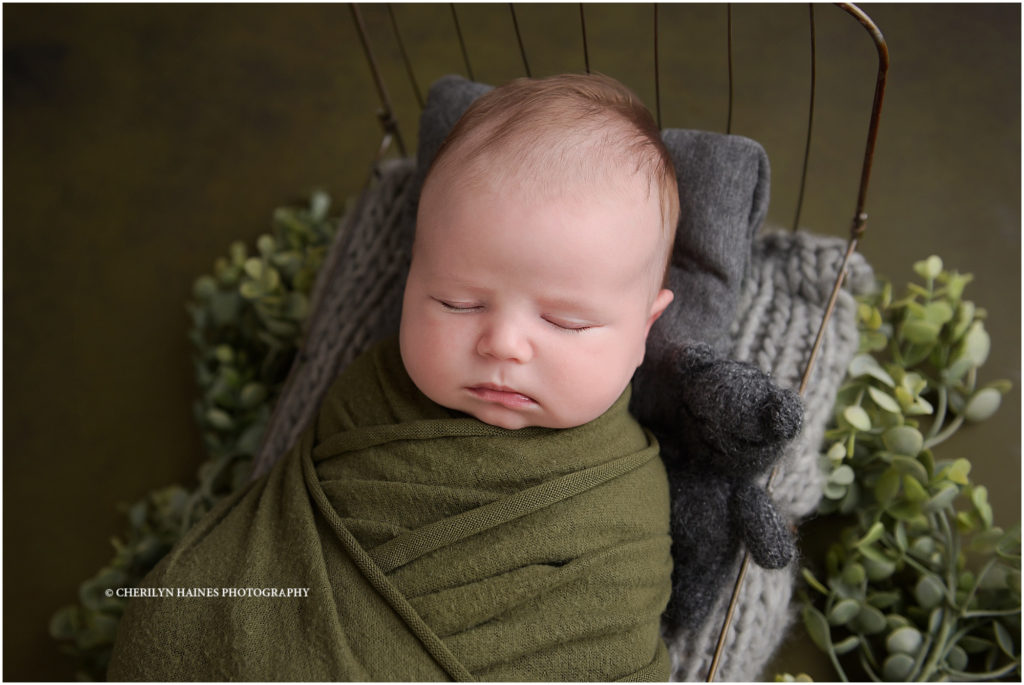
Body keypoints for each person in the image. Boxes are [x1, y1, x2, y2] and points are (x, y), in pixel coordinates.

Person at [108, 73, 680, 681]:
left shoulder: (623, 505)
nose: (504, 344)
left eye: (565, 322)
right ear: (411, 279)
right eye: (458, 303)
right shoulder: (371, 393)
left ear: (644, 329)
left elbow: (608, 646)